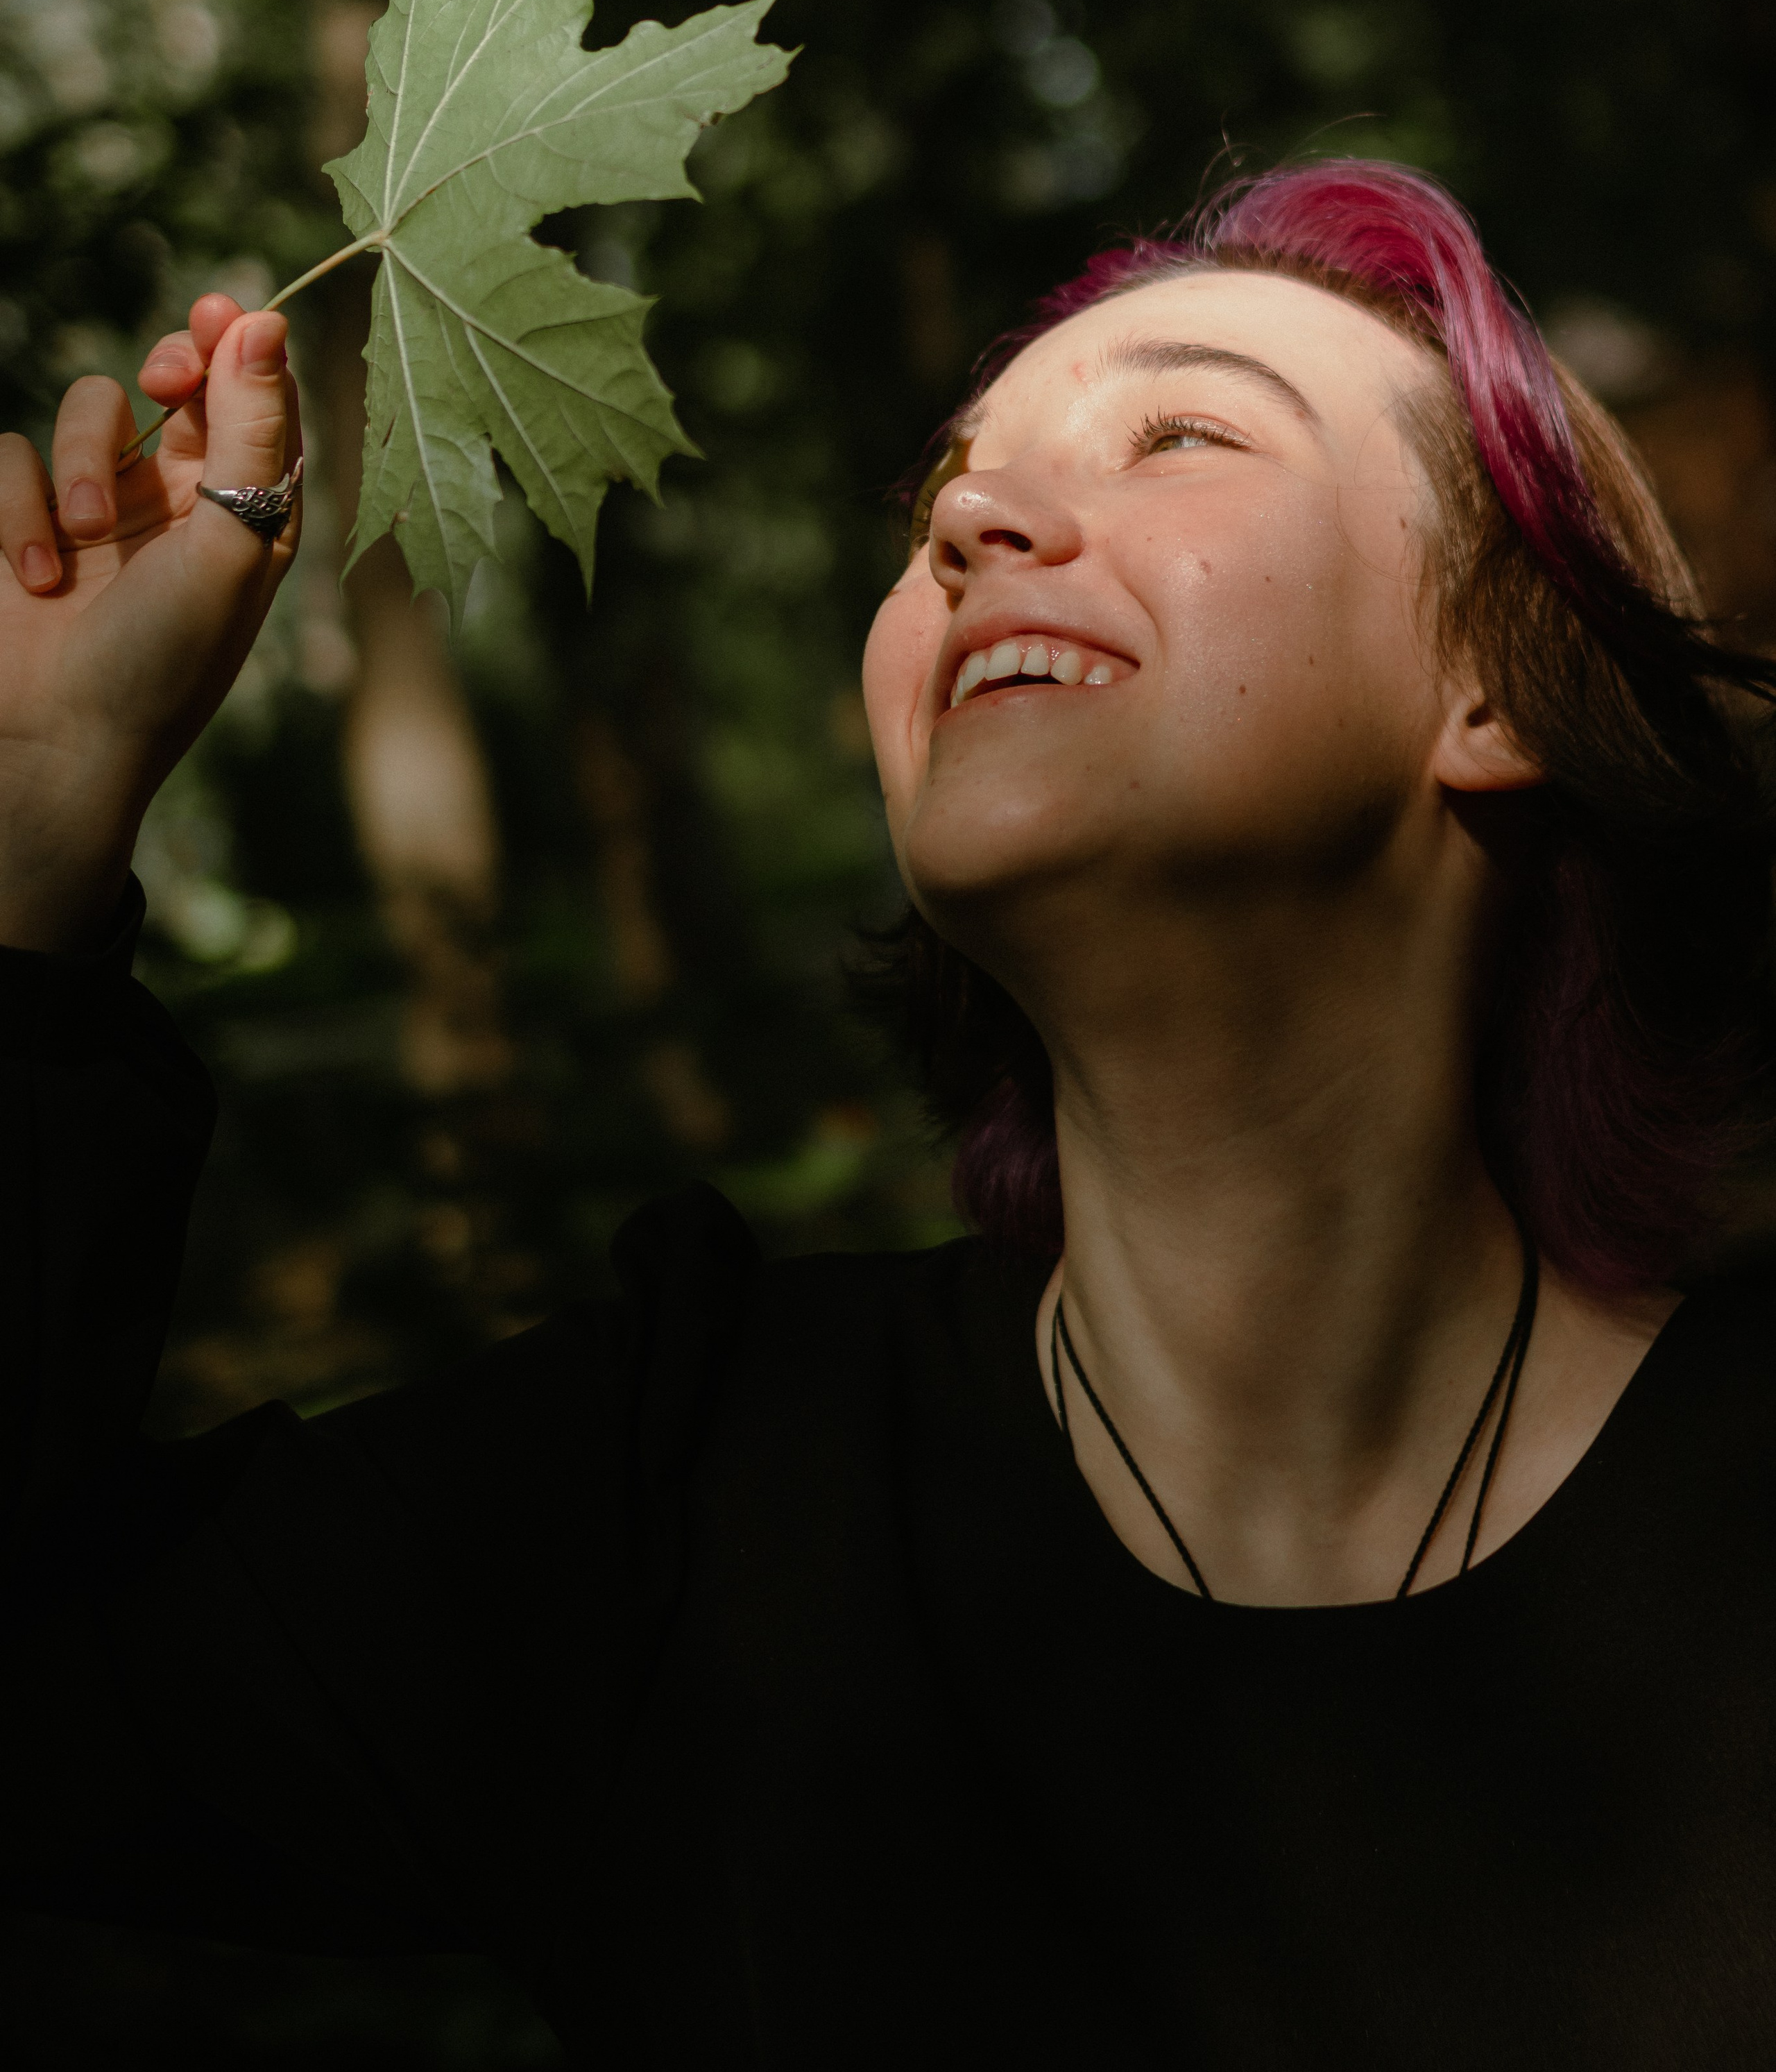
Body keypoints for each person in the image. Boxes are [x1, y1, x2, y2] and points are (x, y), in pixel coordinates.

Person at [1, 157, 1774, 2068]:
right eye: (948, 486)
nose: (972, 519)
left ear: (1499, 684)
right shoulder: (670, 1498)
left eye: (1179, 435)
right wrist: (29, 837)